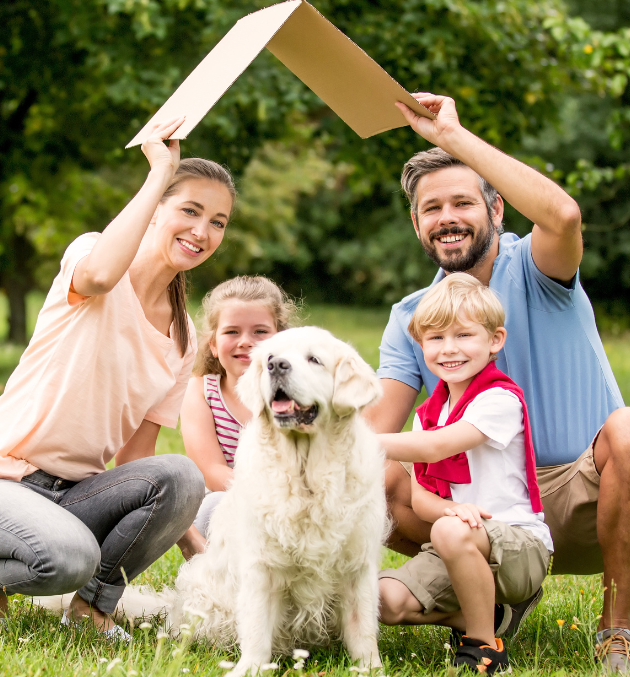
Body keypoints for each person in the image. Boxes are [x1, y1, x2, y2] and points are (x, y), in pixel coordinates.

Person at [365, 92, 630, 671]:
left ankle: (617, 628)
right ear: (416, 224)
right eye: (431, 208)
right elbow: (372, 433)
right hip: (475, 513)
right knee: (378, 480)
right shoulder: (412, 315)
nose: (447, 218)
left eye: (463, 202)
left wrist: (450, 138)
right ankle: (487, 606)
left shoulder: (539, 269)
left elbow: (563, 216)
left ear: (497, 212)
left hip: (584, 491)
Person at [0, 117, 235, 640]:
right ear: (154, 211)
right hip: (7, 476)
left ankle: (90, 611)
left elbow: (136, 461)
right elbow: (102, 275)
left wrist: (200, 552)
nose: (202, 232)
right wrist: (159, 173)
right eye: (189, 211)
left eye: (218, 221)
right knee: (68, 557)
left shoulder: (183, 338)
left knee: (182, 476)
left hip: (76, 493)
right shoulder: (93, 256)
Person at [377, 273, 552, 675]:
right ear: (421, 346)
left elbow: (439, 446)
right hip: (457, 541)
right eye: (435, 338)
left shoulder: (499, 398)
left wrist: (357, 441)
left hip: (519, 546)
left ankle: (483, 648)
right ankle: (489, 615)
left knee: (447, 530)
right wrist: (451, 512)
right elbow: (421, 500)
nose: (449, 349)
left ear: (495, 340)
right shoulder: (428, 414)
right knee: (383, 600)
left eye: (463, 336)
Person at [180, 275, 297, 543]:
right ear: (213, 344)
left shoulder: (295, 395)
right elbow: (211, 469)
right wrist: (265, 499)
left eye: (260, 331)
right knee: (214, 507)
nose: (246, 341)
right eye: (232, 331)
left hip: (294, 505)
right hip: (234, 500)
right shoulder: (202, 392)